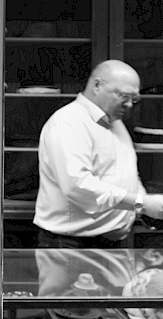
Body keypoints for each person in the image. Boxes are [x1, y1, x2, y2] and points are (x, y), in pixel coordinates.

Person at [34, 59, 163, 248]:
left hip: (114, 241)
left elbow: (128, 172)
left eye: (134, 99)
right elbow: (78, 186)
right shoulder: (69, 122)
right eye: (124, 96)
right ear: (97, 86)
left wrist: (146, 205)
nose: (129, 105)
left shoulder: (115, 123)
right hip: (71, 244)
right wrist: (141, 202)